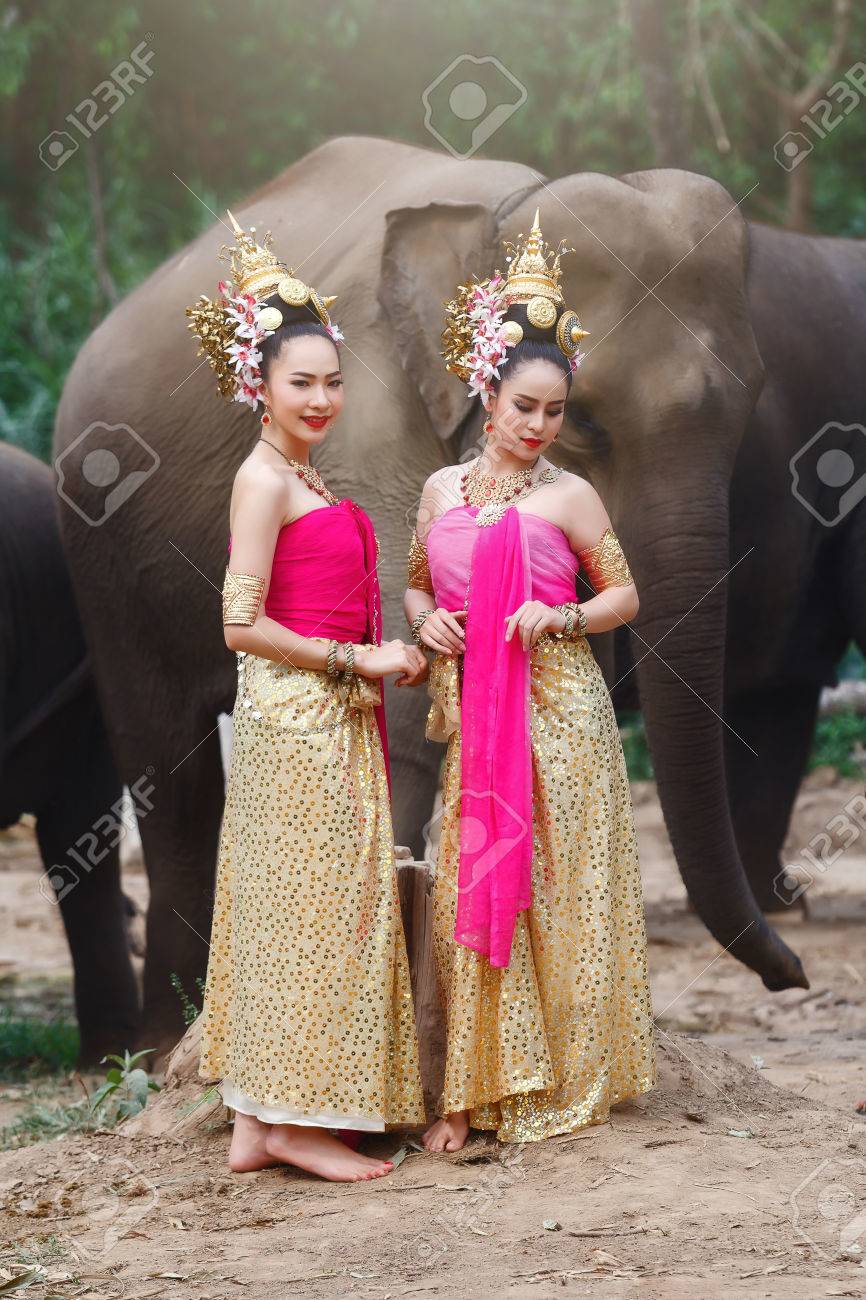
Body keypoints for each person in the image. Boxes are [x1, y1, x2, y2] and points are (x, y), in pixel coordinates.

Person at [403, 211, 657, 1152]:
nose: (539, 427)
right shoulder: (440, 492)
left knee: (560, 887)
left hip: (561, 711)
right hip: (479, 714)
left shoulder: (571, 495)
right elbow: (421, 580)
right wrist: (422, 618)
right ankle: (468, 1088)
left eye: (554, 411)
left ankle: (561, 1068)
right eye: (524, 408)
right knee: (477, 874)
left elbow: (626, 594)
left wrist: (563, 615)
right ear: (487, 392)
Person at [187, 213, 426, 1181]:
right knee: (316, 912)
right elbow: (237, 622)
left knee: (296, 907)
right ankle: (292, 1123)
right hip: (298, 718)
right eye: (302, 382)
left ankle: (254, 1119)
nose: (322, 396)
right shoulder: (260, 482)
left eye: (332, 381)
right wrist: (352, 663)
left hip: (328, 714)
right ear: (261, 387)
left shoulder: (302, 475)